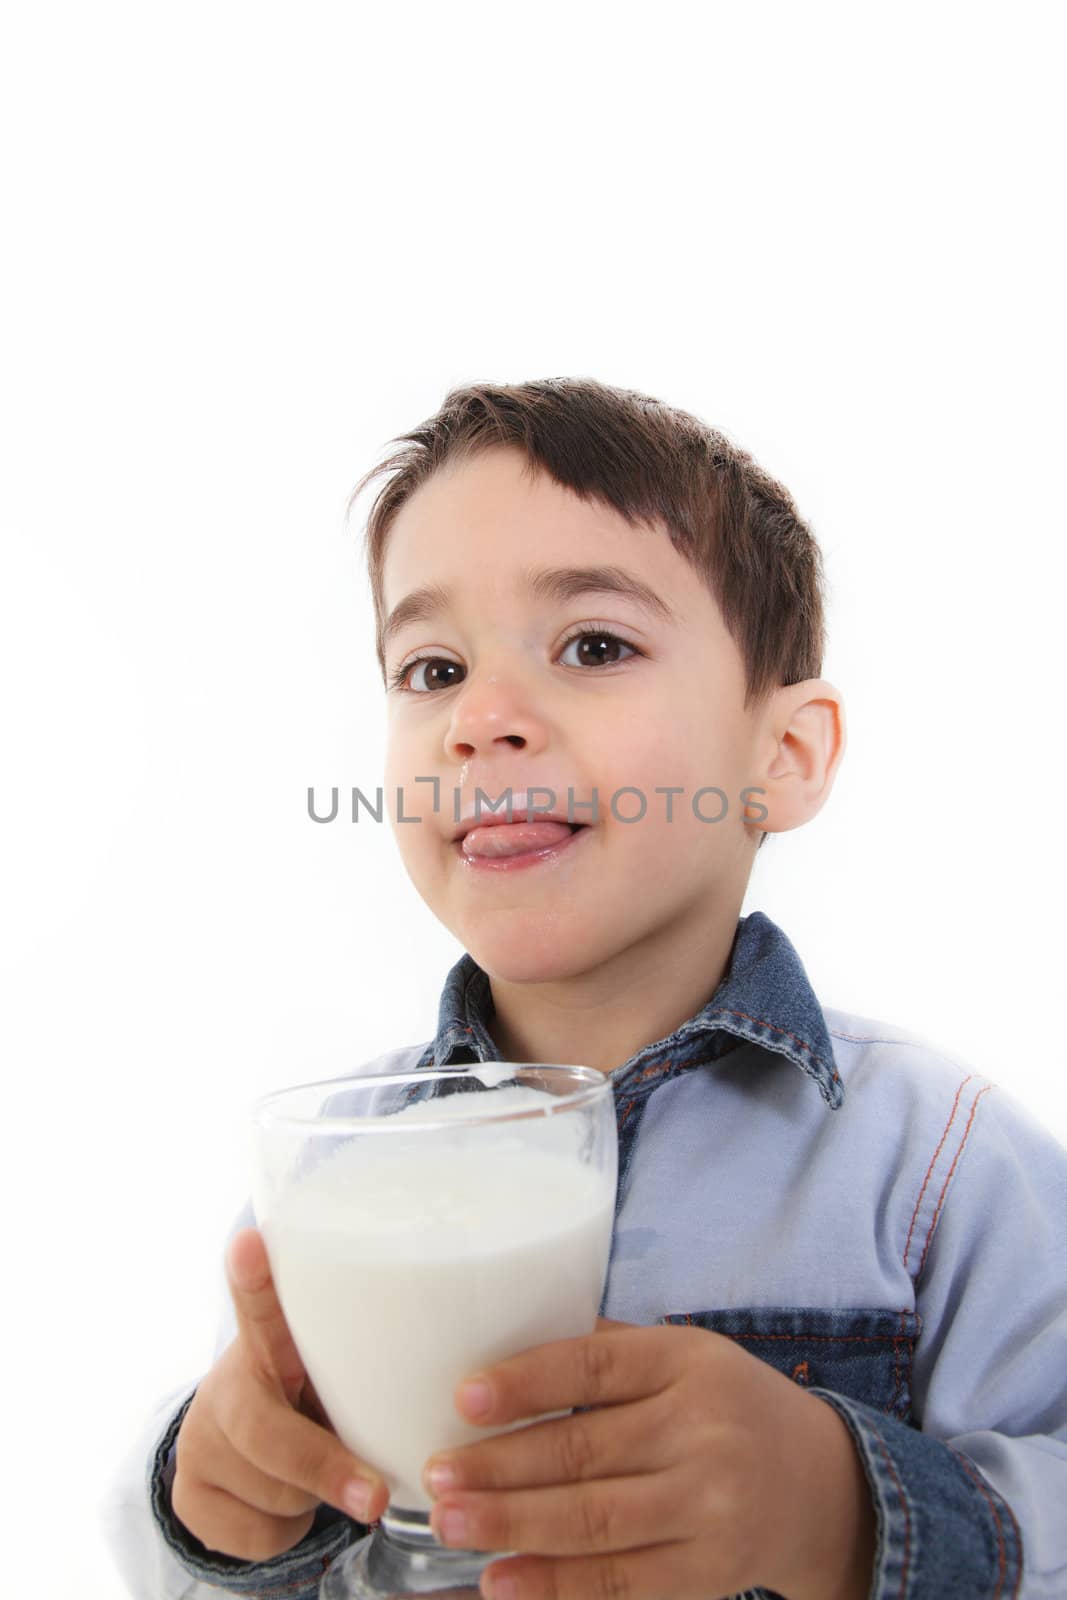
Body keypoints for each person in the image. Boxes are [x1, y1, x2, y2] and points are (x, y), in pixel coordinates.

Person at [103, 377, 1067, 1599]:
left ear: (780, 754)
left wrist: (842, 1509)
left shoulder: (938, 1165)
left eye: (593, 645)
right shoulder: (340, 1166)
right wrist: (212, 1510)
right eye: (432, 666)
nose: (481, 721)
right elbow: (185, 1556)